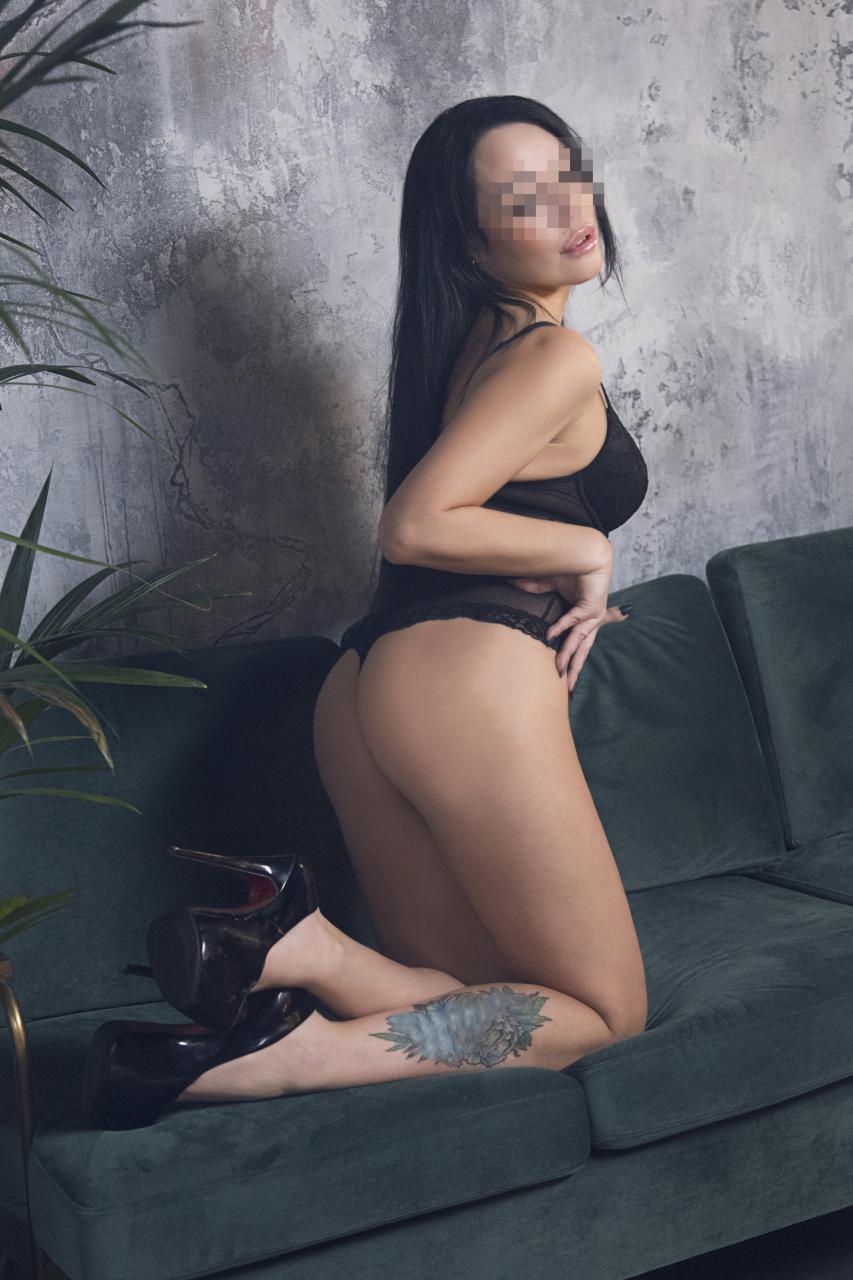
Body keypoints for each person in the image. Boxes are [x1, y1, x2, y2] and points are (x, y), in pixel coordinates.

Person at [84, 95, 650, 1129]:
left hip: (364, 689)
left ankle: (301, 949)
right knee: (603, 1016)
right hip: (465, 686)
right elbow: (416, 524)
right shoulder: (553, 356)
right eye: (524, 197)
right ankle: (298, 1053)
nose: (572, 208)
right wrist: (585, 548)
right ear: (470, 240)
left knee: (488, 1003)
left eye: (569, 173)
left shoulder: (475, 341)